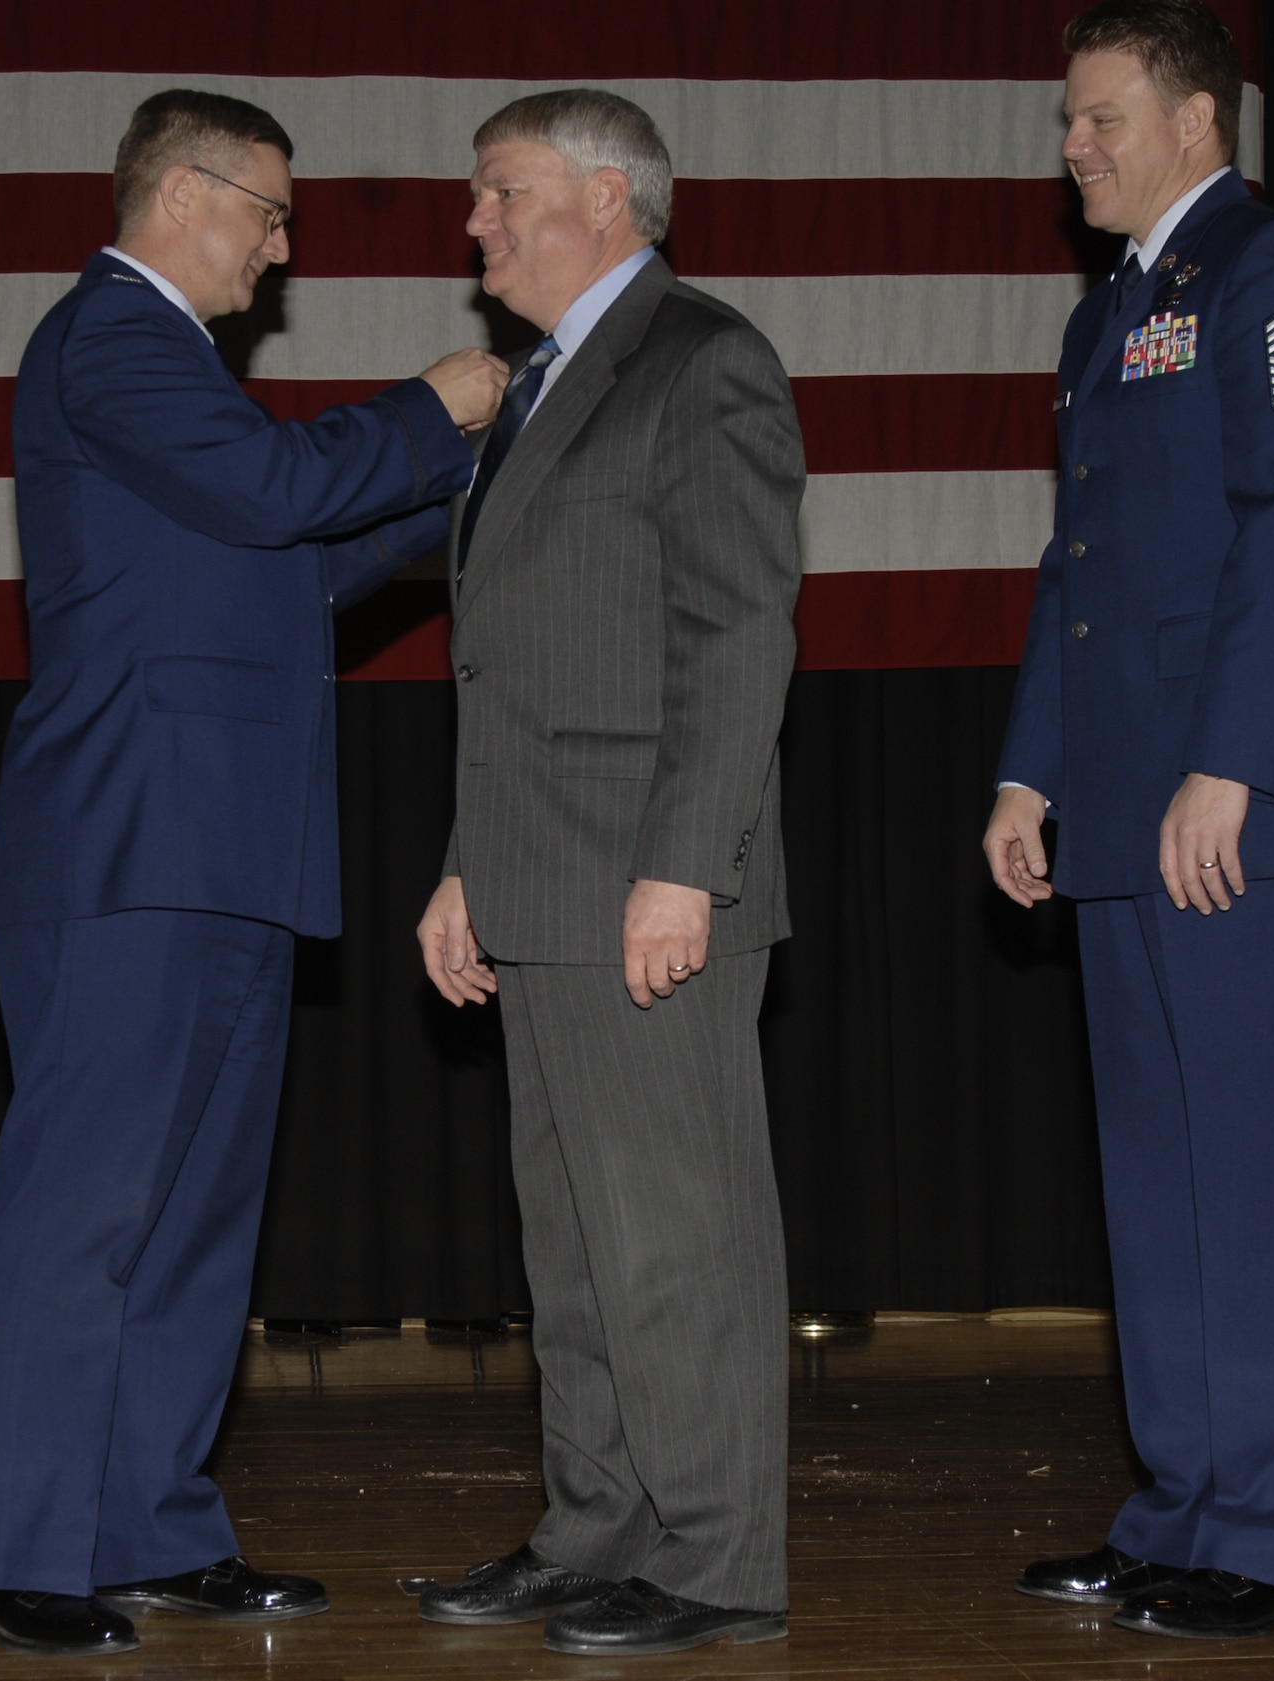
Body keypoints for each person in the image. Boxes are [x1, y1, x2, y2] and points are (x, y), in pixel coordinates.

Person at [0, 89, 506, 1658]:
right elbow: (275, 494)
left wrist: (457, 477)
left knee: (193, 1219)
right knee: (85, 1216)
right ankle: (14, 1552)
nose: (280, 245)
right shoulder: (110, 337)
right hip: (126, 846)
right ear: (181, 191)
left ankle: (149, 1527)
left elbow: (296, 557)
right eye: (269, 211)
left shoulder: (173, 373)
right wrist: (433, 407)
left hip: (229, 851)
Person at [983, 0, 1274, 1642]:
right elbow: (1085, 573)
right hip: (1125, 815)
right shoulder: (1108, 320)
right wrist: (1032, 768)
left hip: (1240, 814)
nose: (1072, 144)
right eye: (1070, 119)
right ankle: (1186, 1504)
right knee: (1160, 1182)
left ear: (1199, 118)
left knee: (1262, 1179)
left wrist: (1231, 761)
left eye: (1100, 116)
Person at [412, 89, 805, 1658]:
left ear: (606, 196)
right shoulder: (539, 387)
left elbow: (736, 633)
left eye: (502, 193)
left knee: (678, 1240)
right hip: (535, 878)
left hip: (647, 884)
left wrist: (684, 870)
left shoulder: (703, 361)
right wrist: (462, 871)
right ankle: (600, 1527)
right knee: (575, 1243)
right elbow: (511, 661)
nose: (475, 223)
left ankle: (718, 1556)